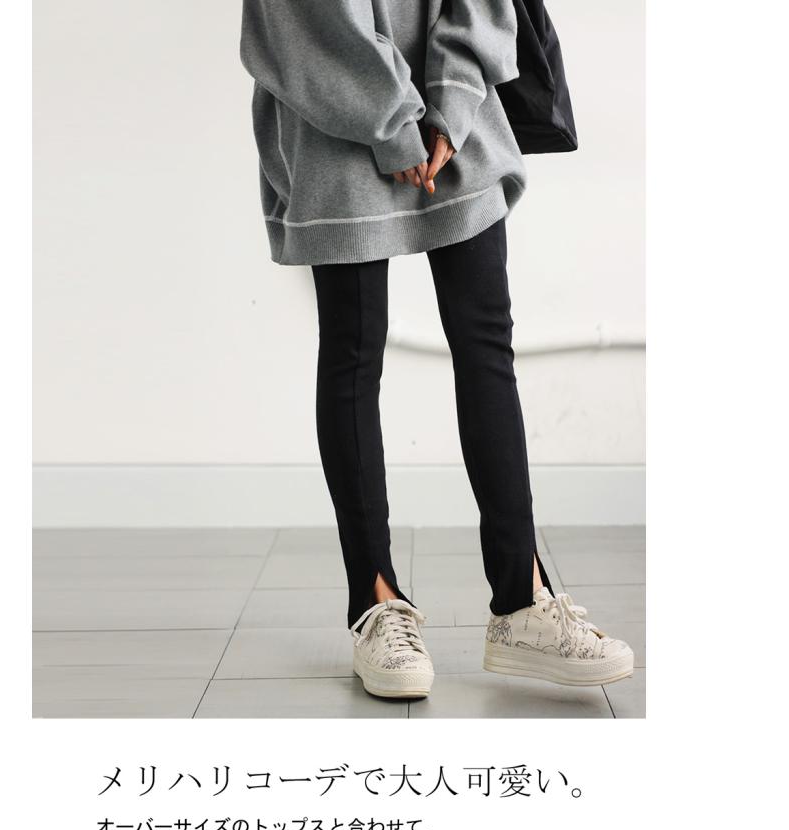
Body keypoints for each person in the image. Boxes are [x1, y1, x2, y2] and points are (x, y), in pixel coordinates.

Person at [239, 0, 634, 699]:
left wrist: (447, 110)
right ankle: (377, 600)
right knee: (354, 349)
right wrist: (395, 122)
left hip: (458, 115)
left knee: (485, 344)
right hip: (335, 111)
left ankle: (522, 601)